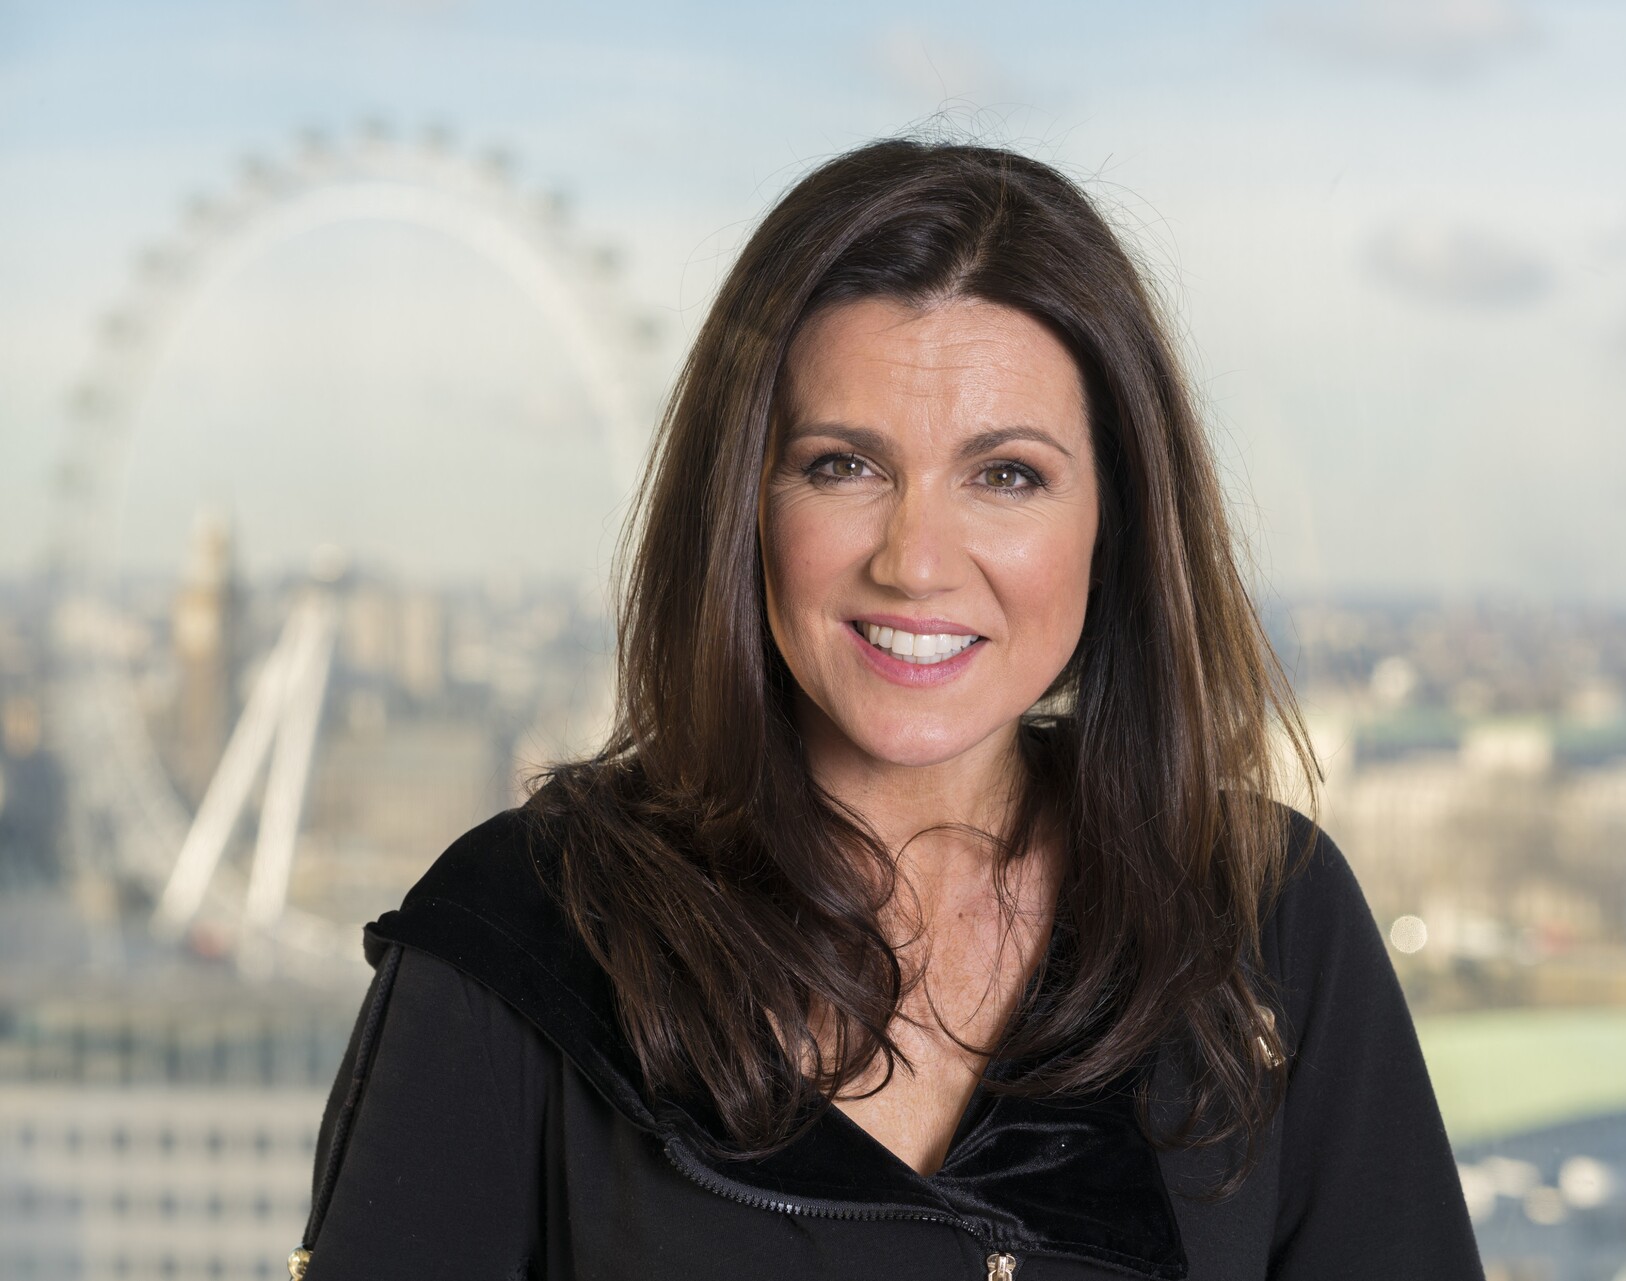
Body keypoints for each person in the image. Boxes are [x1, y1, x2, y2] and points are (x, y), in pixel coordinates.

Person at [294, 135, 1485, 1281]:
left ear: (1115, 521)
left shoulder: (1263, 923)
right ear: (743, 504)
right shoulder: (521, 941)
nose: (916, 561)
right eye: (842, 466)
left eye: (1006, 475)